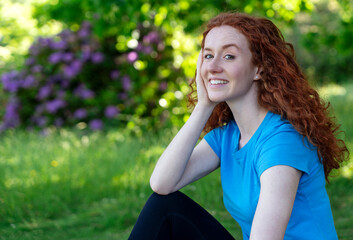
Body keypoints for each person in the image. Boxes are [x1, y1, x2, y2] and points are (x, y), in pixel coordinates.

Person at [128, 12, 348, 240]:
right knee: (164, 207)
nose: (213, 67)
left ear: (259, 69)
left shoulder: (283, 141)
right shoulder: (228, 136)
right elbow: (162, 184)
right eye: (208, 56)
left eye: (229, 56)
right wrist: (203, 106)